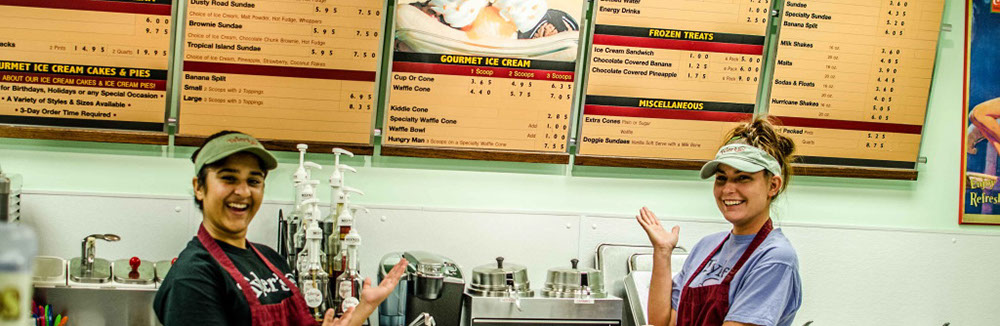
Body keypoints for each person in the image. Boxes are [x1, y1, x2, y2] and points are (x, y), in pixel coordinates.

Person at [153, 131, 407, 326]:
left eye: (254, 180)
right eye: (228, 178)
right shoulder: (194, 277)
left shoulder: (270, 259)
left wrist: (363, 309)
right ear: (199, 187)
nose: (242, 191)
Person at [636, 118, 802, 326]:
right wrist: (662, 252)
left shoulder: (775, 257)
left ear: (773, 186)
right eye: (721, 178)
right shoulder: (706, 247)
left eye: (743, 178)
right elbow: (663, 322)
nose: (727, 190)